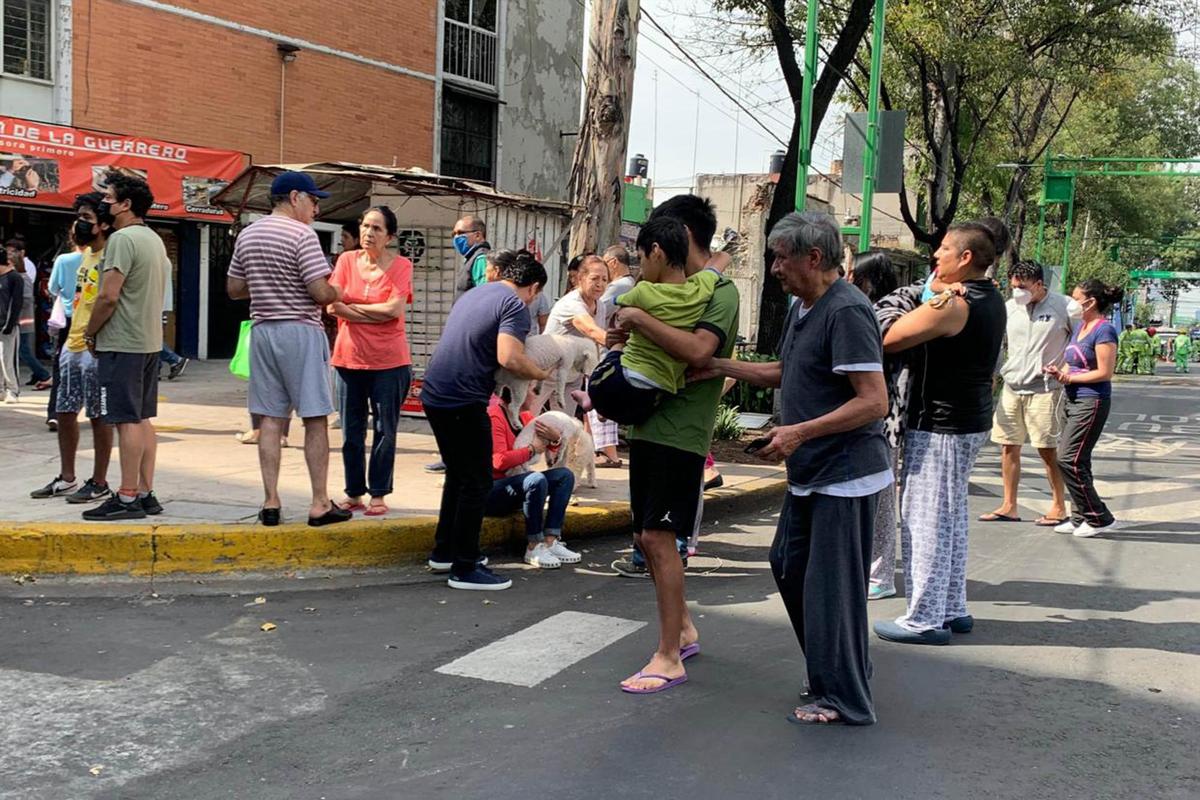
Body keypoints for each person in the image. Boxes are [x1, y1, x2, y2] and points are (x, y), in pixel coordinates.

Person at [702, 213, 890, 723]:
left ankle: (844, 697)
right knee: (788, 565)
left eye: (782, 256)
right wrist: (719, 366)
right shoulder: (803, 308)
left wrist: (798, 432)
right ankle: (833, 669)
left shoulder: (847, 310)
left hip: (845, 473)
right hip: (812, 471)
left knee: (831, 585)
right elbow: (784, 371)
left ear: (814, 257)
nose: (775, 266)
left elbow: (874, 402)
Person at [605, 194, 739, 694]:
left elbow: (701, 351)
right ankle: (681, 630)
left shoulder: (720, 292)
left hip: (680, 433)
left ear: (678, 235)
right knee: (645, 536)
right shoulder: (665, 290)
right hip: (650, 427)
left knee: (661, 539)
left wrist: (640, 321)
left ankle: (667, 657)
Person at [873, 222, 1005, 646]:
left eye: (944, 250)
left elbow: (888, 337)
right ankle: (952, 607)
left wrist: (922, 293)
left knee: (924, 520)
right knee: (949, 518)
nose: (936, 257)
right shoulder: (991, 297)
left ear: (966, 258)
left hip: (942, 425)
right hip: (967, 421)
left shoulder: (951, 304)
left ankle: (925, 618)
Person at [225, 171, 351, 528]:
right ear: (294, 197)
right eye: (313, 201)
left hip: (262, 331)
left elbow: (234, 289)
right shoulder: (302, 235)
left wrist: (269, 284)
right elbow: (320, 292)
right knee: (314, 417)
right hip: (300, 330)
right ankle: (318, 503)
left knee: (270, 418)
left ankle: (270, 502)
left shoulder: (248, 234)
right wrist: (339, 291)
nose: (315, 209)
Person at [421, 251, 552, 590]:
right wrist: (538, 372)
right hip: (463, 399)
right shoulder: (515, 306)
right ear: (533, 288)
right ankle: (465, 567)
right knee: (477, 482)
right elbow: (508, 355)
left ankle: (445, 551)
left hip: (435, 395)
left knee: (459, 476)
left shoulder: (478, 292)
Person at [81, 172, 170, 521]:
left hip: (122, 343)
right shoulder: (153, 239)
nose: (105, 203)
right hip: (148, 342)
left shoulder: (121, 240)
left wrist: (91, 333)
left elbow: (107, 296)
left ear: (126, 205)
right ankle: (146, 492)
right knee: (142, 419)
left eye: (109, 198)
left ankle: (128, 495)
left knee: (125, 421)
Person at [573, 216, 720, 425]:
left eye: (641, 258)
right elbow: (721, 259)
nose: (641, 268)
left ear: (656, 251)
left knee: (615, 349)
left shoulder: (644, 291)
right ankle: (599, 405)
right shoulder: (701, 289)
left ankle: (592, 399)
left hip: (621, 382)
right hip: (656, 393)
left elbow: (617, 306)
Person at [327, 206, 413, 517]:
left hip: (390, 362)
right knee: (351, 431)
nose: (368, 233)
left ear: (390, 236)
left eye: (377, 228)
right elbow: (332, 304)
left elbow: (393, 310)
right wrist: (367, 311)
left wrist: (351, 310)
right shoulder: (346, 261)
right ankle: (354, 492)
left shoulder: (401, 265)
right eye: (365, 226)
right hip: (348, 359)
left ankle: (378, 493)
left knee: (385, 430)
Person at [30, 193, 115, 504]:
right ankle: (67, 478)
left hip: (95, 346)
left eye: (86, 218)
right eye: (78, 216)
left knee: (98, 415)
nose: (79, 224)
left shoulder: (110, 258)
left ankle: (100, 481)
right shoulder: (85, 257)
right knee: (65, 411)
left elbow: (110, 301)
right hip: (72, 344)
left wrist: (94, 338)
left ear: (104, 224)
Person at [980, 260, 1077, 527]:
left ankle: (1058, 505)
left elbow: (1079, 342)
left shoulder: (1065, 307)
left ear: (1038, 284)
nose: (1017, 291)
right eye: (1013, 287)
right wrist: (994, 374)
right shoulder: (1010, 308)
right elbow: (1000, 343)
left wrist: (1066, 369)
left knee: (1047, 449)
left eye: (1022, 287)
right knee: (1008, 447)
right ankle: (1009, 505)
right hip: (1012, 385)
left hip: (1047, 389)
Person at [1046, 280, 1123, 537]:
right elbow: (1073, 363)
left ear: (1090, 302)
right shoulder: (1080, 327)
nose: (1071, 302)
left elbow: (1104, 372)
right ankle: (1080, 517)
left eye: (1075, 297)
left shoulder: (1104, 331)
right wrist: (1061, 373)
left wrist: (1071, 378)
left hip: (1092, 400)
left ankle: (1099, 517)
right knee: (1078, 460)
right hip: (1071, 398)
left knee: (1068, 458)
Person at [848, 249, 904, 601]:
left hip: (885, 421)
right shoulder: (870, 310)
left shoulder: (885, 314)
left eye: (855, 272)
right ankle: (867, 567)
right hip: (871, 418)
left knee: (882, 498)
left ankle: (880, 574)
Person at [485, 391, 581, 568]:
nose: (535, 394)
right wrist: (530, 450)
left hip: (516, 482)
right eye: (530, 389)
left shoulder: (525, 417)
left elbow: (548, 455)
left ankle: (551, 540)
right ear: (516, 393)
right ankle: (533, 545)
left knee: (564, 476)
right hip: (493, 490)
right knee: (535, 479)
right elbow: (498, 461)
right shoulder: (494, 416)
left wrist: (555, 440)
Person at [546, 255, 609, 415]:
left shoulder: (600, 306)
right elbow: (592, 330)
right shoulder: (571, 303)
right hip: (546, 373)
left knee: (564, 425)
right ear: (580, 278)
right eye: (595, 278)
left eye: (604, 279)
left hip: (572, 374)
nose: (600, 284)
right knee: (526, 419)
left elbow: (597, 346)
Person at [44, 227, 85, 429]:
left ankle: (55, 414)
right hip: (92, 319)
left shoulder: (63, 260)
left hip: (67, 319)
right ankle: (104, 411)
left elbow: (52, 288)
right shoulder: (100, 260)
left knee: (61, 366)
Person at [6, 238, 51, 387]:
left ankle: (44, 375)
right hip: (21, 318)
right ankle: (40, 375)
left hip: (23, 319)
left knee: (23, 351)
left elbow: (25, 300)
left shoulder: (22, 277)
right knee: (21, 350)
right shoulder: (18, 277)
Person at [0, 248, 22, 403]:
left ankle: (12, 390)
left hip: (7, 325)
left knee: (8, 360)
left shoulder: (14, 278)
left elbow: (16, 303)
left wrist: (10, 323)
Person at [452, 214, 490, 297]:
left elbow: (484, 295)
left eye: (460, 233)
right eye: (454, 234)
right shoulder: (472, 257)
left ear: (477, 235)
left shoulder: (481, 258)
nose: (456, 237)